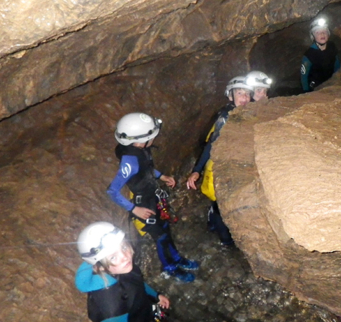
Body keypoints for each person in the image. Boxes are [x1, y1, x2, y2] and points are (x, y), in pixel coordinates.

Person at [107, 112, 198, 283]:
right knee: (160, 237)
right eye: (152, 136)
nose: (154, 138)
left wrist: (161, 176)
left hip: (152, 197)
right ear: (140, 140)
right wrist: (134, 209)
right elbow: (112, 191)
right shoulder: (129, 162)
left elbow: (146, 169)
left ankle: (177, 258)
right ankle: (169, 267)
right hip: (143, 205)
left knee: (165, 228)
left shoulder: (141, 149)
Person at [186, 76, 253, 246]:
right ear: (230, 96)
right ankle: (225, 241)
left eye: (247, 94)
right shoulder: (226, 117)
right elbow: (211, 145)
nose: (244, 97)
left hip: (234, 165)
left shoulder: (248, 113)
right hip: (217, 168)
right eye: (239, 93)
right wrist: (196, 170)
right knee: (220, 204)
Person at [75, 222, 170, 322]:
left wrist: (156, 295)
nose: (125, 257)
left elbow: (136, 283)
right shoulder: (112, 307)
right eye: (113, 257)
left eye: (124, 247)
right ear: (99, 267)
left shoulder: (122, 268)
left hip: (144, 311)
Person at [300, 17, 341, 92]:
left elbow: (337, 65)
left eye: (324, 32)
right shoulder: (309, 55)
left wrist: (337, 81)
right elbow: (304, 76)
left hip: (330, 84)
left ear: (328, 35)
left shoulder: (332, 47)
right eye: (317, 33)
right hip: (315, 88)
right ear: (314, 37)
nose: (322, 34)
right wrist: (306, 92)